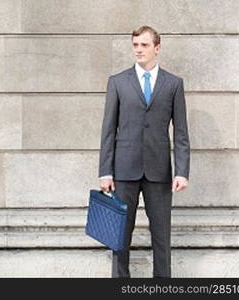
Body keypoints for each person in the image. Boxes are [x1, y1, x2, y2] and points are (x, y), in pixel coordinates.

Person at [98, 25, 190, 278]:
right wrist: (105, 171)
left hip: (159, 172)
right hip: (123, 172)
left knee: (161, 236)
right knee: (120, 237)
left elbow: (181, 132)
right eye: (135, 45)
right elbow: (108, 130)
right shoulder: (117, 82)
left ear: (157, 48)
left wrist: (182, 171)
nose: (138, 50)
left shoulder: (173, 84)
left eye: (144, 45)